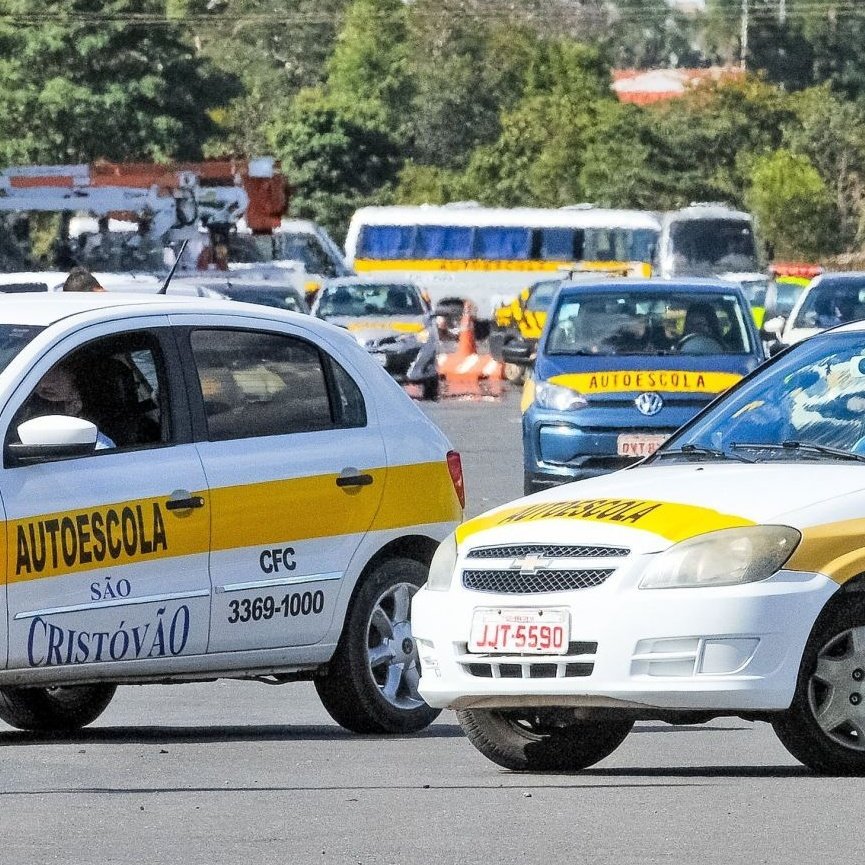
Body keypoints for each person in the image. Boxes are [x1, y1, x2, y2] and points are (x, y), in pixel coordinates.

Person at [25, 364, 115, 449]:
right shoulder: (25, 405)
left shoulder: (99, 447)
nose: (44, 384)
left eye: (52, 373)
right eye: (40, 374)